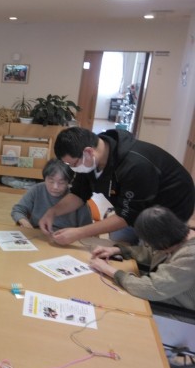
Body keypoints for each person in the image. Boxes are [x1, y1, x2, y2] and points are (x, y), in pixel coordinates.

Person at [39, 127, 194, 245]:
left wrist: (79, 233)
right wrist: (52, 212)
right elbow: (78, 194)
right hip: (131, 208)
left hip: (169, 210)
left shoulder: (135, 165)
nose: (74, 168)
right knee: (118, 245)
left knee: (148, 254)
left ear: (88, 152)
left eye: (73, 164)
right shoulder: (89, 161)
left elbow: (126, 217)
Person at [89, 206, 195, 310]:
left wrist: (109, 270)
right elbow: (151, 252)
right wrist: (117, 250)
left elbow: (153, 289)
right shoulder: (176, 234)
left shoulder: (190, 256)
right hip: (165, 292)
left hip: (178, 307)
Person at [11, 158, 92, 229]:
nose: (55, 187)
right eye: (51, 181)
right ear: (45, 178)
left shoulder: (77, 197)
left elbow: (87, 228)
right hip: (37, 232)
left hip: (66, 237)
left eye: (61, 182)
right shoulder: (37, 190)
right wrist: (26, 224)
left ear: (69, 182)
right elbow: (18, 210)